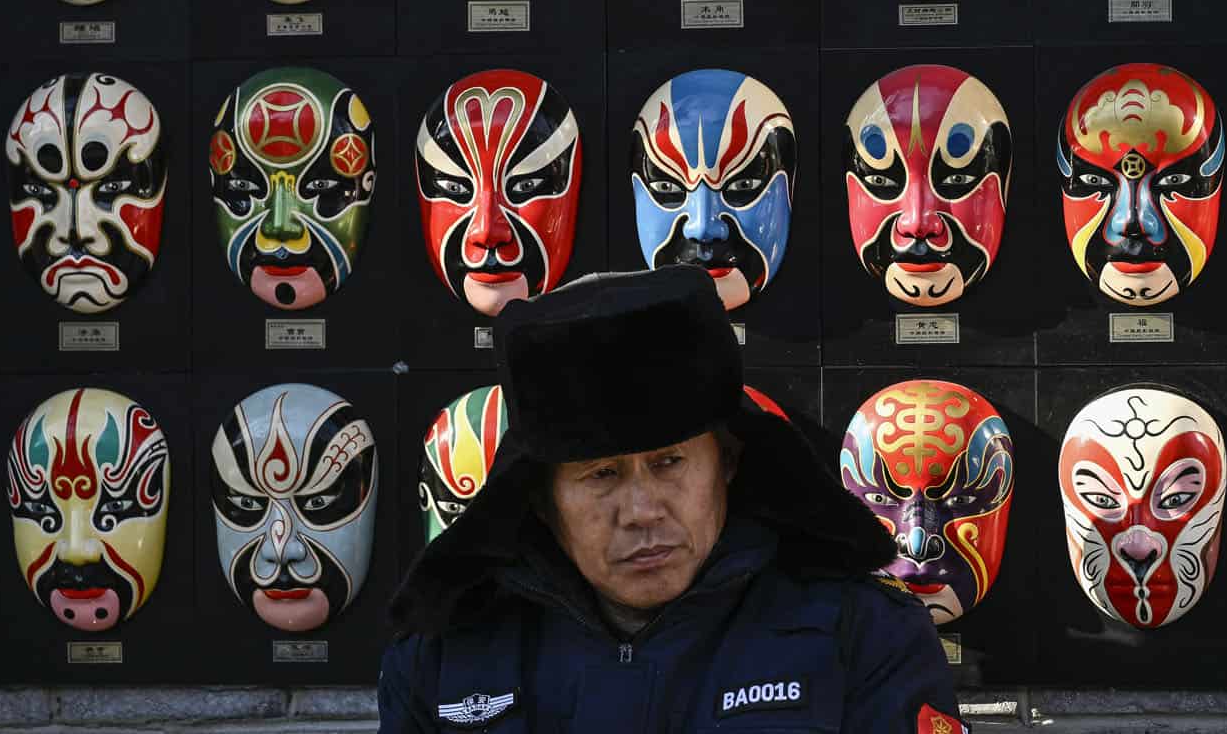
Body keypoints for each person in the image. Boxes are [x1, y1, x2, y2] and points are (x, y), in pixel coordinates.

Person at [378, 266, 962, 733]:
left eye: (669, 463)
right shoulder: (444, 658)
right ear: (539, 497)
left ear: (728, 462)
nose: (642, 509)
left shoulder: (862, 635)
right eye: (602, 473)